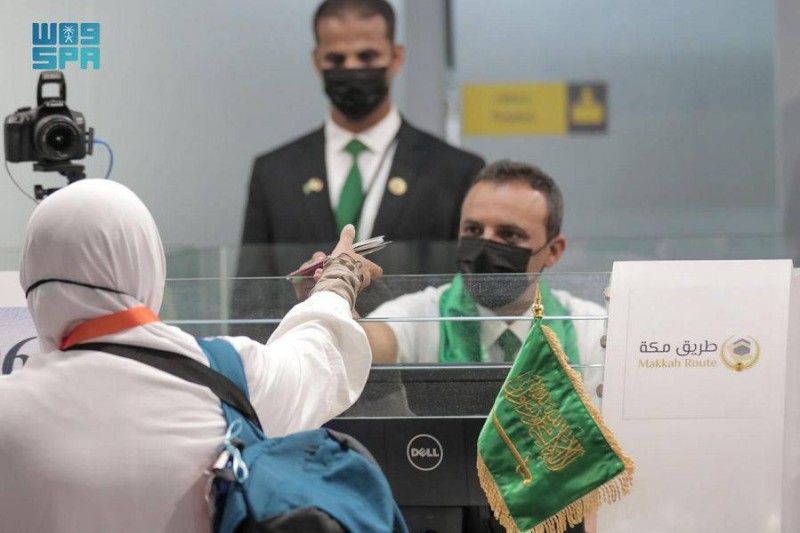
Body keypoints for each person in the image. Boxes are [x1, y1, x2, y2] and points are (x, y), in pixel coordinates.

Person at [0, 180, 381, 532]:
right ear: (148, 263)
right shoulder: (232, 376)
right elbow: (318, 353)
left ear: (30, 278)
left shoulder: (9, 408)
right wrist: (337, 280)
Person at [239, 0, 485, 258]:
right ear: (317, 61)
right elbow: (251, 281)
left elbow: (469, 278)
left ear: (396, 57)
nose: (352, 67)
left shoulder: (456, 171)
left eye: (367, 56)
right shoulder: (274, 173)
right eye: (336, 59)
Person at [364, 160, 606, 404]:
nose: (484, 248)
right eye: (474, 230)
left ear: (553, 251)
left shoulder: (593, 329)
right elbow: (367, 345)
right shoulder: (423, 314)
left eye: (509, 234)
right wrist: (342, 297)